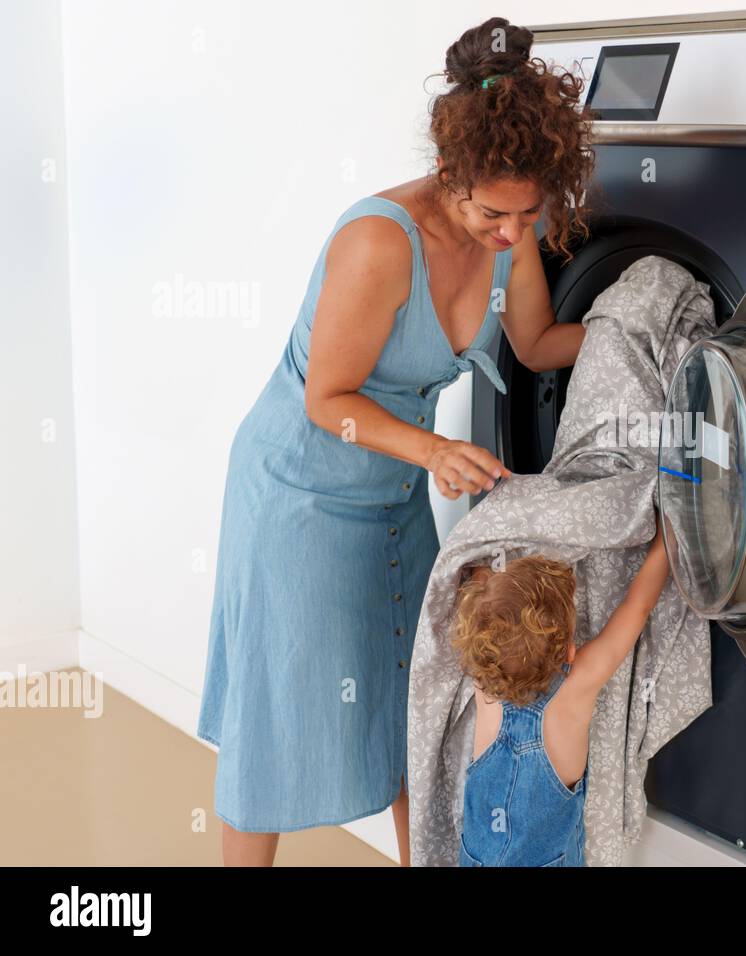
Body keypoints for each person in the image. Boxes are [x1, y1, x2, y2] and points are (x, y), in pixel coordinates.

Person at [195, 16, 595, 866]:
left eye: (529, 215)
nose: (514, 236)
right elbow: (324, 400)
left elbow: (533, 343)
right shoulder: (381, 241)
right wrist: (433, 453)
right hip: (299, 494)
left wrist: (633, 333)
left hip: (394, 499)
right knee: (276, 718)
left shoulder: (505, 234)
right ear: (450, 174)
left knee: (422, 702)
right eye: (496, 213)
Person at [451, 519, 671, 866]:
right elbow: (636, 608)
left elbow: (487, 615)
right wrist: (667, 538)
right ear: (570, 652)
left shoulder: (484, 678)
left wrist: (482, 573)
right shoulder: (576, 684)